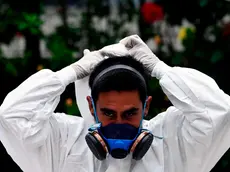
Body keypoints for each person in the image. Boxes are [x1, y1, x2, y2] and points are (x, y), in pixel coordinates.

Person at [0, 35, 230, 172]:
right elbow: (11, 116)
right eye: (108, 113)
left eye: (130, 113)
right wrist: (70, 72)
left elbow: (220, 112)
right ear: (91, 107)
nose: (119, 123)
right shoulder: (62, 142)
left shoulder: (172, 142)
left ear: (146, 107)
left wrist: (160, 69)